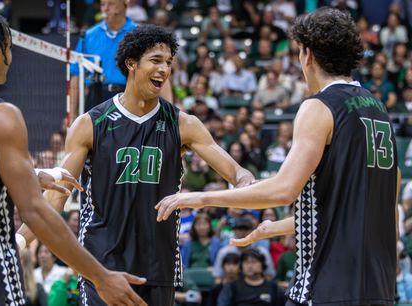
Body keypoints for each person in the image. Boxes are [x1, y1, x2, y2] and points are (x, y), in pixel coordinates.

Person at [156, 7, 399, 305]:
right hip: (379, 286)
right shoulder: (379, 110)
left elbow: (284, 190)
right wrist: (274, 228)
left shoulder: (320, 107)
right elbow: (365, 207)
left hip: (326, 284)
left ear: (307, 54)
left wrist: (197, 198)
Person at [0, 8, 146, 306]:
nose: (11, 58)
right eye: (9, 49)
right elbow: (35, 213)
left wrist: (32, 176)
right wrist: (100, 276)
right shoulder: (1, 115)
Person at [30, 24, 254, 305]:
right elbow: (56, 196)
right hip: (101, 262)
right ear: (131, 63)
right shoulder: (89, 124)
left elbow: (235, 171)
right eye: (156, 60)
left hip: (157, 264)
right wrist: (23, 239)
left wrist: (247, 181)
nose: (164, 69)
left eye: (169, 62)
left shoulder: (183, 124)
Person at [69, 0, 172, 120]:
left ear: (125, 4)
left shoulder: (140, 35)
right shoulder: (88, 36)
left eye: (111, 4)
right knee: (94, 137)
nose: (106, 8)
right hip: (96, 97)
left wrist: (171, 112)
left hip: (130, 96)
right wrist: (71, 115)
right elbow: (76, 75)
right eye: (103, 4)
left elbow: (158, 71)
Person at [217, 249, 285, 306]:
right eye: (246, 262)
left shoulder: (274, 287)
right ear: (241, 266)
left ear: (262, 265)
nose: (249, 266)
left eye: (253, 262)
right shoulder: (232, 287)